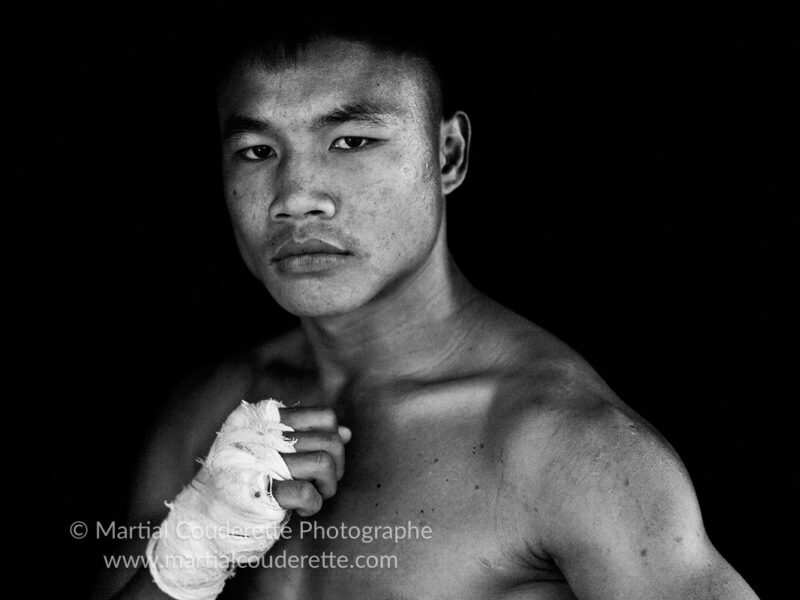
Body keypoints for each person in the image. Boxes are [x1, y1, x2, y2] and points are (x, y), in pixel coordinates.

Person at [95, 18, 759, 600]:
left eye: (352, 141)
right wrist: (189, 557)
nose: (295, 197)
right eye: (256, 151)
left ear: (449, 154)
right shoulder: (210, 413)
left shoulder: (567, 450)